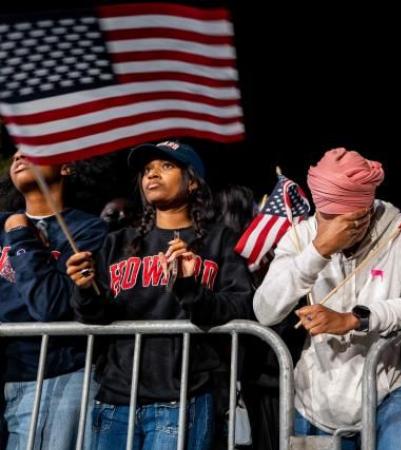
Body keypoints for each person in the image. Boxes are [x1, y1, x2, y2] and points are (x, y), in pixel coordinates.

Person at [67, 140, 254, 450]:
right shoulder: (118, 243)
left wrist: (190, 287)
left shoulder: (219, 240)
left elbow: (239, 306)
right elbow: (94, 316)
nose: (152, 175)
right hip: (115, 398)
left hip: (184, 396)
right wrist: (84, 288)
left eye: (166, 166)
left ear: (192, 181)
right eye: (147, 170)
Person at [253, 147, 401, 450]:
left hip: (386, 392)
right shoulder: (302, 236)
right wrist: (318, 251)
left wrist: (356, 318)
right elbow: (265, 310)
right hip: (314, 402)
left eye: (344, 220)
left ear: (365, 212)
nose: (333, 228)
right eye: (325, 217)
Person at [0, 152, 108, 449]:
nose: (19, 155)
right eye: (16, 152)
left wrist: (21, 236)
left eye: (34, 148)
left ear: (67, 166)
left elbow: (50, 305)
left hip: (57, 376)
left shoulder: (88, 230)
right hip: (8, 372)